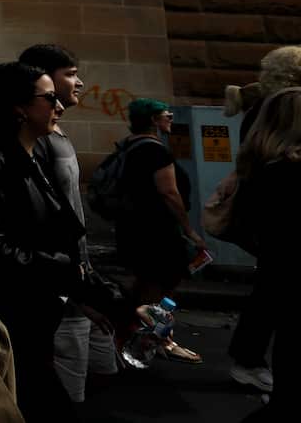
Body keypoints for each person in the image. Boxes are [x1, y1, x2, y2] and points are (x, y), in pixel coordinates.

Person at [0, 61, 87, 420]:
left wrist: (109, 300)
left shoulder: (31, 160)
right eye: (48, 98)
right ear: (19, 108)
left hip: (35, 321)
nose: (58, 105)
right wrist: (60, 268)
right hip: (8, 324)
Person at [20, 44, 118, 403]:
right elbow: (39, 221)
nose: (79, 83)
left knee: (104, 372)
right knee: (67, 391)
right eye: (71, 74)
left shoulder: (58, 134)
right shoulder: (36, 141)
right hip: (61, 286)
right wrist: (73, 288)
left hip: (80, 278)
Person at [226, 46, 301, 393]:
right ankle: (249, 360)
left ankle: (249, 358)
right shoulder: (281, 108)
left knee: (271, 292)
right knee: (274, 294)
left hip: (267, 215)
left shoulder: (264, 108)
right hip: (278, 214)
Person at [113, 96, 204, 361]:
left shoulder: (128, 146)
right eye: (167, 114)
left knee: (145, 286)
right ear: (153, 120)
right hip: (157, 232)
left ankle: (130, 334)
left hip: (134, 229)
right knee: (161, 288)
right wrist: (189, 230)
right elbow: (169, 192)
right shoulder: (155, 151)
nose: (171, 118)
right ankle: (159, 340)